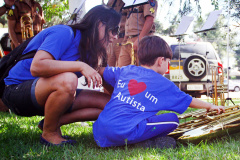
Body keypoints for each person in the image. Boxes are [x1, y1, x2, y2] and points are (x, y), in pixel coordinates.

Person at [2, 5, 121, 146]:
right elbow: (37, 66)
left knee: (109, 104)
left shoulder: (93, 52)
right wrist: (80, 66)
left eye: (118, 31)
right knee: (68, 80)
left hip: (48, 94)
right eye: (114, 30)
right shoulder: (65, 33)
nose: (116, 36)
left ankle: (50, 122)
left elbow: (105, 80)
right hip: (17, 92)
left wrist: (123, 103)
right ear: (99, 24)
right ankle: (50, 133)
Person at [93, 35, 225, 148]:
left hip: (99, 131)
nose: (168, 66)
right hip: (124, 133)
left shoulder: (126, 70)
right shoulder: (164, 84)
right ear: (161, 61)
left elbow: (102, 71)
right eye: (168, 62)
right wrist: (210, 106)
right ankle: (144, 142)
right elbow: (188, 100)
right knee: (173, 120)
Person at [118, 0, 158, 67]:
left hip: (141, 39)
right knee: (122, 70)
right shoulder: (131, 2)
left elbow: (150, 20)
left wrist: (140, 38)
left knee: (141, 70)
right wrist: (125, 39)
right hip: (128, 40)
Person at [106, 0, 126, 67]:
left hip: (123, 37)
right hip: (110, 38)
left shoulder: (129, 2)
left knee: (120, 66)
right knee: (108, 65)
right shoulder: (111, 2)